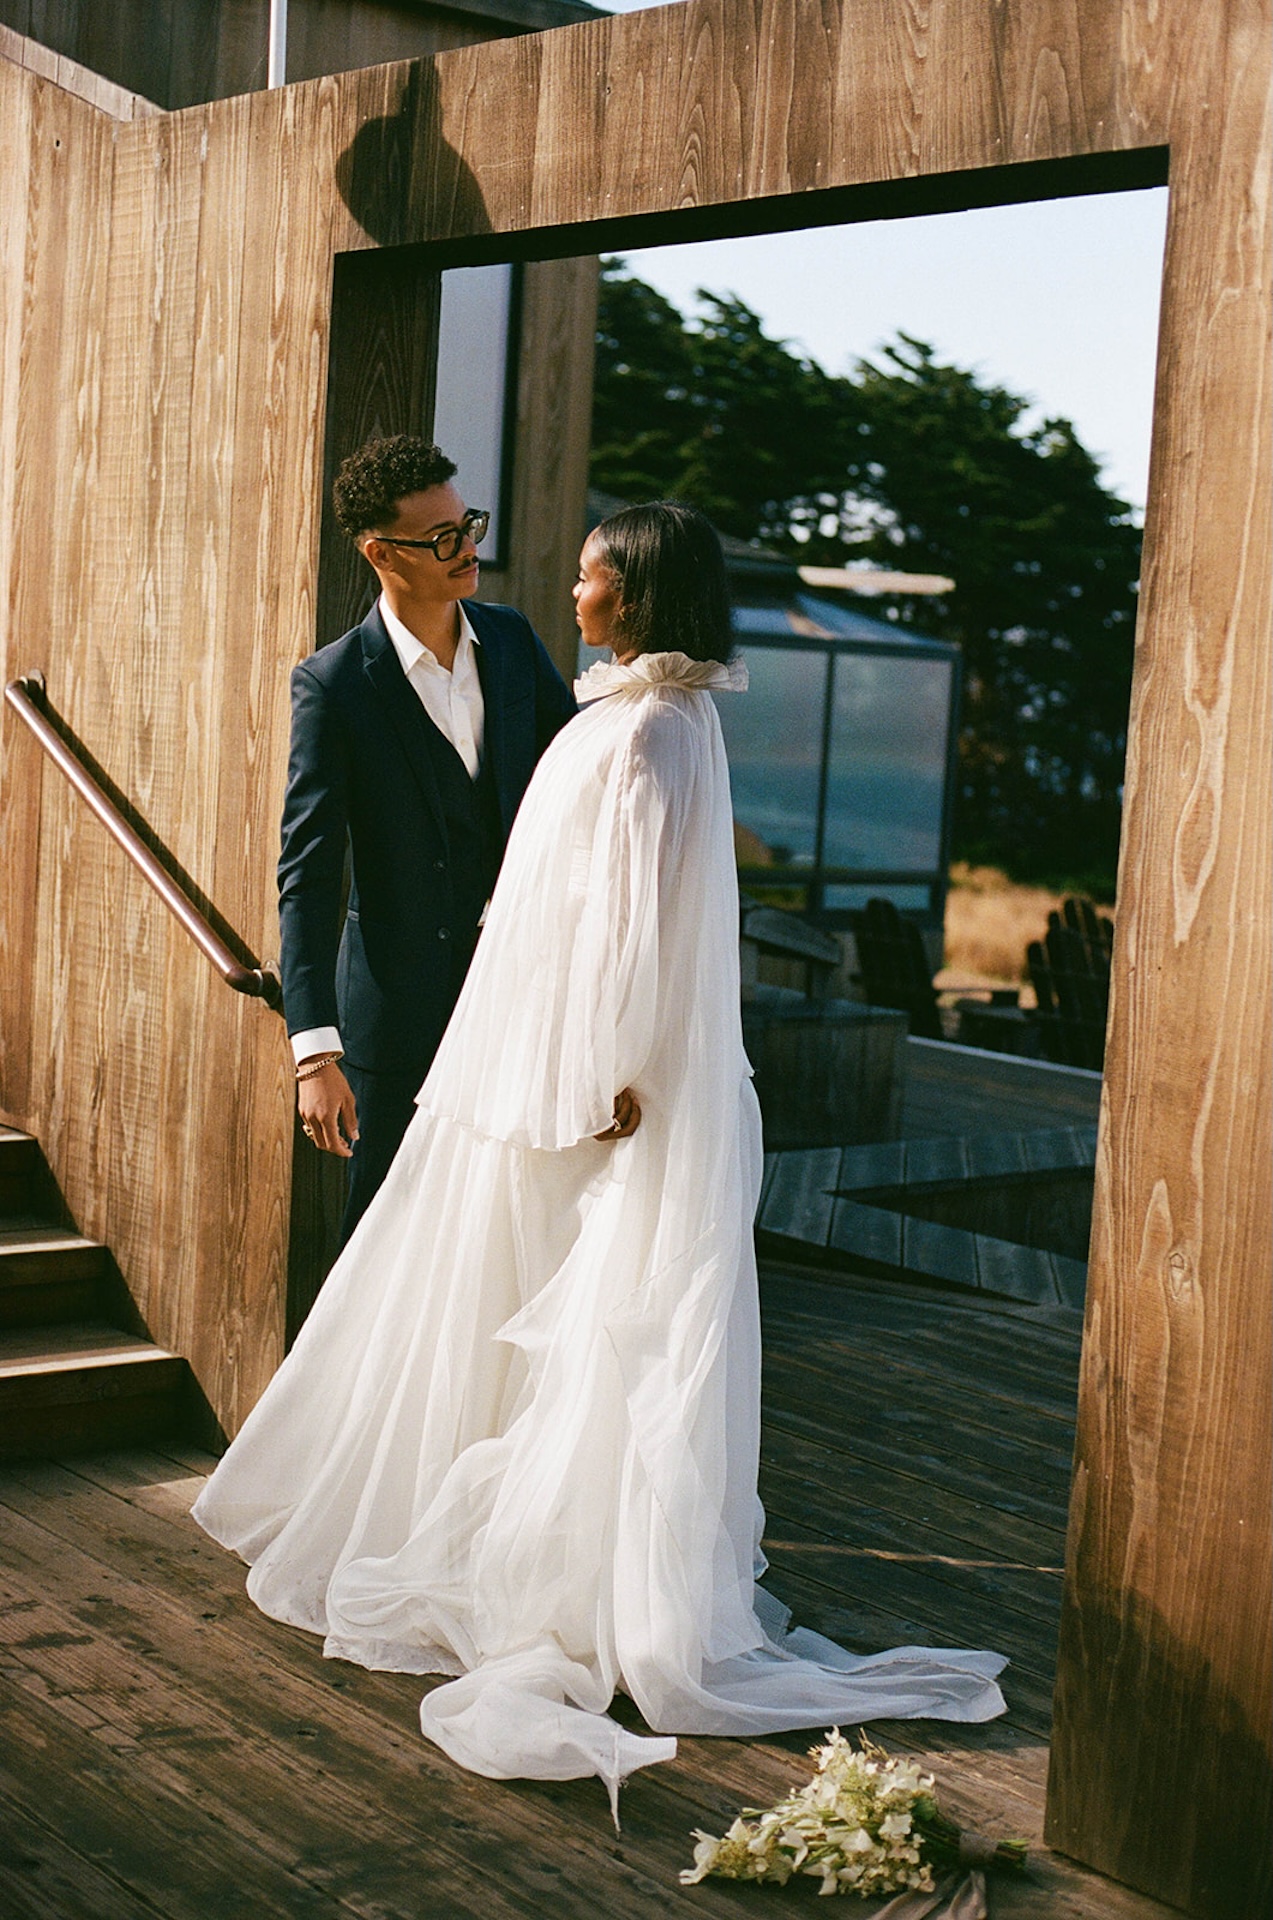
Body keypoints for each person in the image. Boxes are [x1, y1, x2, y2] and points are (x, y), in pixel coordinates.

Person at [195, 503, 1005, 1816]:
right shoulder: (634, 715)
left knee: (594, 1324)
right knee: (528, 1306)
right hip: (537, 1062)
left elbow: (636, 926)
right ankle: (530, 1547)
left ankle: (574, 1577)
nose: (568, 593)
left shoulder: (652, 730)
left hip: (592, 1085)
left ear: (631, 592)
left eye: (587, 576)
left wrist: (600, 1076)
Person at [280, 434, 575, 1242]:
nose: (467, 548)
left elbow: (578, 783)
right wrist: (315, 1052)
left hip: (516, 996)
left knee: (502, 1231)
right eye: (442, 538)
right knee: (385, 1236)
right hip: (395, 1019)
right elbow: (308, 872)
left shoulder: (510, 642)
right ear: (380, 553)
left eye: (467, 525)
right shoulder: (335, 685)